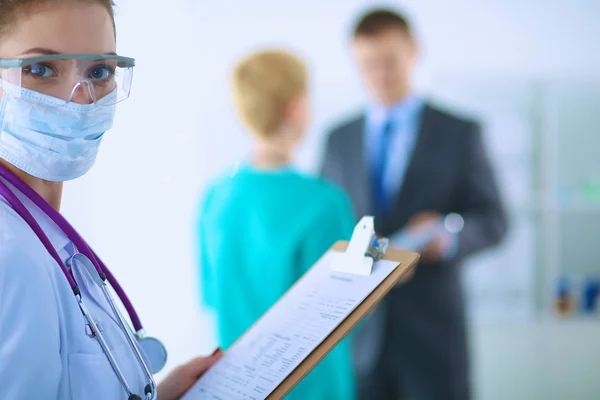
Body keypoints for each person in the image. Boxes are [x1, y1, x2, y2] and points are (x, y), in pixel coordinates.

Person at [0, 1, 223, 399]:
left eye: (99, 72)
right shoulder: (10, 253)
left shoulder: (43, 229)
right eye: (40, 69)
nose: (81, 99)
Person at [321, 8, 508, 400]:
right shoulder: (337, 139)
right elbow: (328, 225)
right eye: (368, 64)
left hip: (434, 340)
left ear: (414, 51)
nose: (380, 74)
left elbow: (494, 220)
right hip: (361, 339)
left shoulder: (459, 132)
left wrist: (449, 236)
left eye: (389, 60)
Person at [196, 49, 357, 400]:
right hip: (314, 389)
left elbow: (212, 297)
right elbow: (346, 308)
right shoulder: (324, 202)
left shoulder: (215, 197)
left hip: (238, 388)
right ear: (296, 108)